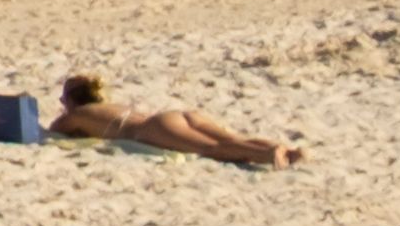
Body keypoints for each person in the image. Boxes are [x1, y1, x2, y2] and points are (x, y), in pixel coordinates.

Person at [52, 71, 297, 170]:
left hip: (152, 128)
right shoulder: (108, 106)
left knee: (210, 148)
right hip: (173, 115)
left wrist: (67, 114)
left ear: (71, 100)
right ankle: (288, 152)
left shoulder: (77, 115)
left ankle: (268, 154)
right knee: (232, 138)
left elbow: (53, 132)